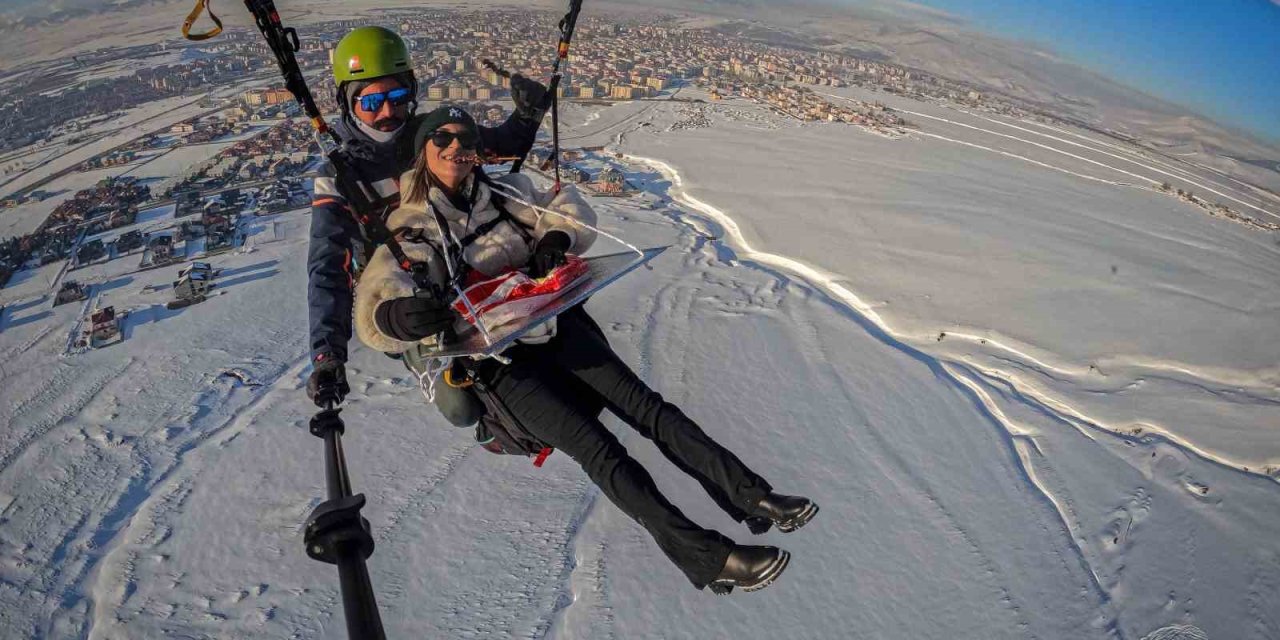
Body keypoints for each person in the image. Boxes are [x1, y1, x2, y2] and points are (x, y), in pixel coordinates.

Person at [351, 105, 819, 594]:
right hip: (500, 365)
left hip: (555, 326)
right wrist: (393, 316)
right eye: (442, 138)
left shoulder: (506, 194)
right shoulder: (412, 228)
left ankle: (751, 497)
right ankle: (711, 558)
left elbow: (567, 206)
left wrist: (556, 235)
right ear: (422, 151)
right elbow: (379, 296)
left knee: (650, 410)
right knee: (600, 451)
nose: (455, 148)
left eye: (465, 140)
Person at [305, 26, 551, 407]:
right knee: (463, 407)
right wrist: (328, 355)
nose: (388, 112)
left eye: (398, 97)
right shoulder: (341, 176)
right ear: (348, 103)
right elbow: (328, 265)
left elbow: (497, 148)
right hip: (407, 300)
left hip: (467, 268)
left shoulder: (432, 135)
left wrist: (526, 116)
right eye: (372, 102)